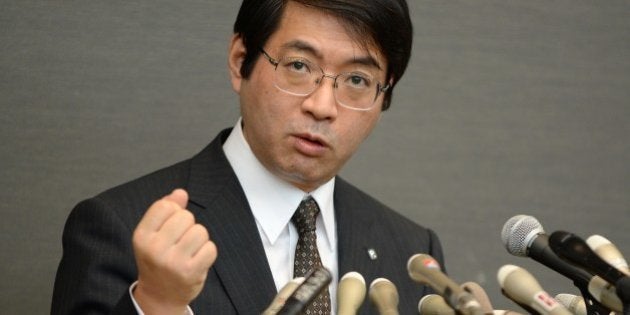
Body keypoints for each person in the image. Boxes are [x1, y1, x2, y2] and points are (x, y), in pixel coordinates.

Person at [51, 0, 445, 314]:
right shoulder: (119, 227)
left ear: (385, 95)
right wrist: (157, 305)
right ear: (241, 61)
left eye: (357, 80)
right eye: (298, 66)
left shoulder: (413, 251)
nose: (323, 106)